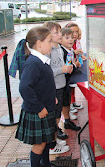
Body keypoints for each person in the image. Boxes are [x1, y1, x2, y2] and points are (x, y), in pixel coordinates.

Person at [15, 26, 62, 167]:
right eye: (49, 41)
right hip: (38, 111)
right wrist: (39, 107)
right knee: (39, 145)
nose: (52, 43)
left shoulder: (41, 60)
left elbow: (43, 85)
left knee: (46, 139)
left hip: (46, 106)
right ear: (39, 44)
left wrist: (51, 97)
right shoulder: (33, 63)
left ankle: (45, 163)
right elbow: (24, 88)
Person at [43, 21, 72, 154]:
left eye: (60, 32)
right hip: (53, 88)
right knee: (53, 117)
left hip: (60, 86)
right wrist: (62, 69)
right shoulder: (48, 51)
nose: (60, 34)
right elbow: (47, 72)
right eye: (57, 32)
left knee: (57, 115)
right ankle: (52, 145)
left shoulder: (59, 48)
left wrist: (67, 68)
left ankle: (54, 139)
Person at [60, 27, 82, 131]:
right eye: (67, 38)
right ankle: (62, 124)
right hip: (62, 82)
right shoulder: (61, 52)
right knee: (63, 102)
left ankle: (67, 120)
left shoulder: (69, 50)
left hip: (66, 82)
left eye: (71, 38)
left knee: (66, 101)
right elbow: (67, 68)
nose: (70, 40)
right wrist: (75, 65)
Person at [65, 22, 86, 111]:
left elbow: (79, 54)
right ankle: (68, 106)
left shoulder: (77, 42)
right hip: (68, 69)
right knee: (68, 88)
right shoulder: (66, 44)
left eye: (76, 32)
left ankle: (73, 103)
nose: (74, 34)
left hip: (74, 66)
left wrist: (81, 57)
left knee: (72, 87)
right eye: (72, 32)